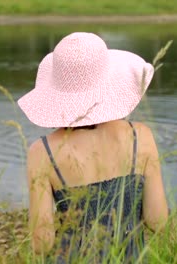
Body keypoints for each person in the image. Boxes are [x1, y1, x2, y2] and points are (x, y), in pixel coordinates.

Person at [17, 32, 168, 263]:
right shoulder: (141, 137)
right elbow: (157, 222)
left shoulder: (43, 152)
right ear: (109, 82)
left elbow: (42, 243)